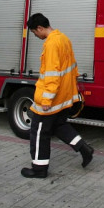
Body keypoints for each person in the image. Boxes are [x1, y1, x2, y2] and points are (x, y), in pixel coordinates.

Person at [21, 13, 94, 179]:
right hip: (63, 96)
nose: (36, 35)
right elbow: (73, 67)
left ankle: (39, 169)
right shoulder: (64, 38)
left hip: (51, 99)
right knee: (59, 126)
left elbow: (52, 74)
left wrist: (47, 99)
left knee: (39, 132)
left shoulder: (52, 43)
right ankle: (84, 148)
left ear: (39, 28)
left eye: (34, 32)